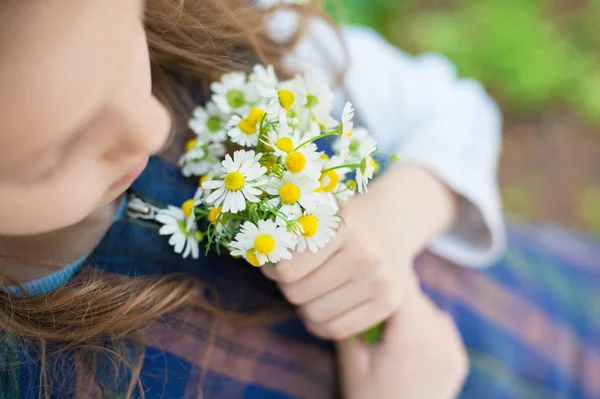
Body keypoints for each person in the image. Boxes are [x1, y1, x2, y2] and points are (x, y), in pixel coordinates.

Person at [0, 0, 598, 398]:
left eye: (123, 53)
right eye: (58, 152)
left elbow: (453, 112)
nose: (152, 127)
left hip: (539, 305)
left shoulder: (212, 29)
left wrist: (396, 217)